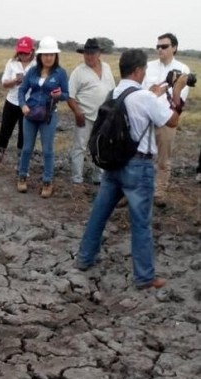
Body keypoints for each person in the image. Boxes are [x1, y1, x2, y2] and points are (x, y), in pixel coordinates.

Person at [77, 49, 187, 290]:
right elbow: (172, 120)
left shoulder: (114, 92)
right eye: (144, 70)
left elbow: (134, 103)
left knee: (99, 213)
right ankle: (145, 277)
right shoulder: (145, 98)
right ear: (138, 70)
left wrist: (154, 93)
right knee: (141, 223)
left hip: (113, 164)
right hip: (139, 167)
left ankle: (84, 258)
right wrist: (177, 90)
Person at [142, 33, 190, 207]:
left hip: (167, 118)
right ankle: (137, 189)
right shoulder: (148, 67)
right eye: (158, 46)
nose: (160, 49)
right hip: (145, 118)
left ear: (174, 48)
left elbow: (179, 99)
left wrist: (163, 93)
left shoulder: (183, 69)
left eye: (164, 46)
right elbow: (142, 91)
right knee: (140, 155)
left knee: (163, 158)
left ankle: (160, 191)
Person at [17, 36, 69, 198]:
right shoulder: (32, 71)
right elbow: (21, 90)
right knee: (26, 148)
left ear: (56, 56)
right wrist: (23, 105)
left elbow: (66, 95)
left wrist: (60, 95)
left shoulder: (60, 73)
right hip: (30, 114)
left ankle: (47, 181)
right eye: (46, 54)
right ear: (39, 56)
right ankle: (22, 176)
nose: (48, 58)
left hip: (48, 116)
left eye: (52, 54)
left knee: (47, 150)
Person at [67, 38, 116, 185]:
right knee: (80, 146)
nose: (89, 56)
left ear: (99, 53)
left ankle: (98, 176)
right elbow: (70, 96)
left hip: (104, 116)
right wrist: (77, 113)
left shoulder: (106, 67)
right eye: (87, 53)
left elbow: (112, 90)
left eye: (92, 53)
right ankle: (76, 177)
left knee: (101, 146)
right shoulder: (78, 72)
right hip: (85, 115)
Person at [0, 36, 35, 174]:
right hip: (12, 102)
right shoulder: (11, 63)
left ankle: (21, 165)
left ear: (32, 51)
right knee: (4, 132)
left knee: (24, 135)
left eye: (25, 52)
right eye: (20, 52)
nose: (23, 55)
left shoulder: (37, 65)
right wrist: (15, 81)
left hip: (28, 104)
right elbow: (4, 83)